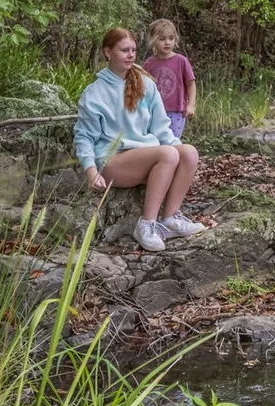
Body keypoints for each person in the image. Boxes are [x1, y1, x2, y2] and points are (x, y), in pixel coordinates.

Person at [73, 27, 204, 251]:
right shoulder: (94, 93)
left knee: (189, 153)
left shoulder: (145, 84)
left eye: (133, 50)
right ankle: (146, 225)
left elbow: (161, 128)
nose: (131, 55)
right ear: (108, 52)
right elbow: (84, 136)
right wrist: (91, 171)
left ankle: (170, 218)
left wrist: (182, 157)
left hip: (145, 156)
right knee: (168, 154)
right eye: (124, 50)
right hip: (111, 162)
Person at [142, 18, 196, 140]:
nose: (167, 42)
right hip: (153, 111)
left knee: (172, 142)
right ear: (153, 40)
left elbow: (191, 84)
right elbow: (143, 87)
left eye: (171, 38)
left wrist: (191, 105)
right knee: (155, 143)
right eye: (162, 39)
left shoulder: (181, 61)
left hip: (176, 111)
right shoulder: (149, 63)